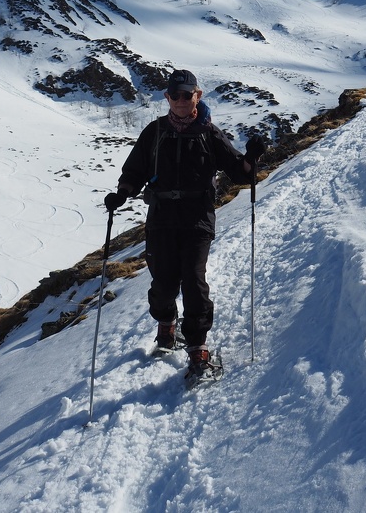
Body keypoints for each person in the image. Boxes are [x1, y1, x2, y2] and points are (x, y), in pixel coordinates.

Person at [104, 69, 267, 381]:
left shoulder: (209, 134)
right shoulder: (155, 131)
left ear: (198, 96)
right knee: (163, 284)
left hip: (197, 218)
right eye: (175, 95)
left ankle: (197, 346)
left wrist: (252, 158)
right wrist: (122, 194)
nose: (181, 100)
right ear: (167, 97)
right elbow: (134, 170)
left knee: (193, 280)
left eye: (187, 94)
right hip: (162, 217)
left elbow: (240, 172)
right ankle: (166, 323)